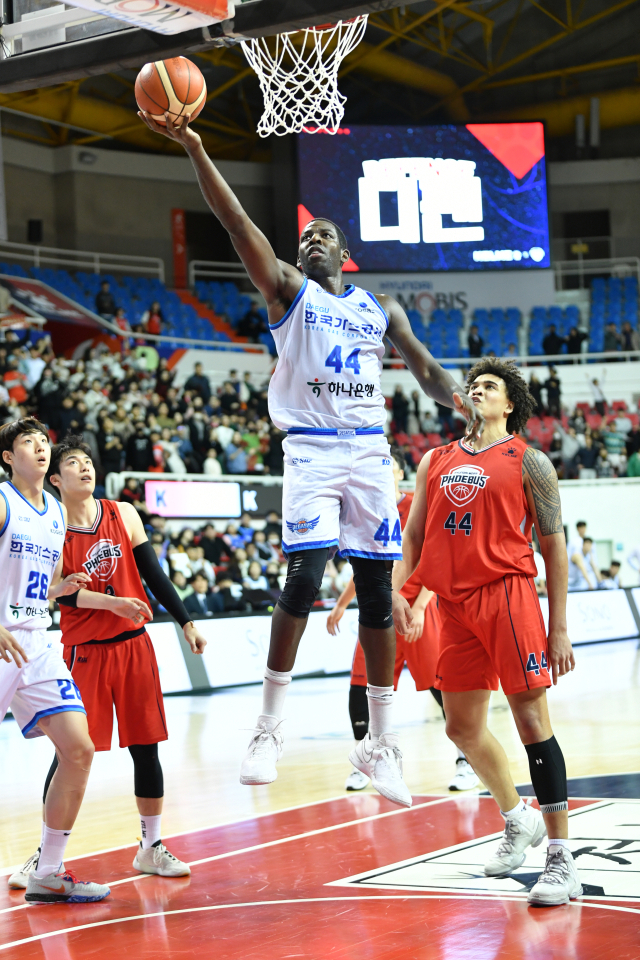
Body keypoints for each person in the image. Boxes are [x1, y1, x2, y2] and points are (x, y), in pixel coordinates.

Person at [138, 105, 482, 807]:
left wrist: (463, 403)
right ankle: (268, 725)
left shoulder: (377, 309)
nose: (312, 242)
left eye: (324, 235)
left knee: (380, 593)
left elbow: (424, 370)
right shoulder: (287, 293)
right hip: (314, 452)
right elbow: (238, 224)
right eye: (305, 238)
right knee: (302, 581)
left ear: (345, 253)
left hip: (368, 451)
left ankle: (380, 742)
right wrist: (198, 147)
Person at [392, 358, 582, 907]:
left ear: (509, 406)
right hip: (453, 606)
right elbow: (413, 539)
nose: (478, 389)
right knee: (461, 727)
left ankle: (561, 858)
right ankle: (518, 818)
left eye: (490, 386)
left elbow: (554, 548)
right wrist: (404, 599)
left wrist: (559, 628)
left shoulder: (531, 463)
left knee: (529, 721)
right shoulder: (436, 458)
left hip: (508, 595)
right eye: (474, 384)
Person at [10, 436, 208, 891]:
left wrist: (186, 622)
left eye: (88, 462)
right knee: (71, 753)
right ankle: (45, 855)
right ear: (55, 480)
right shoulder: (52, 525)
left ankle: (151, 847)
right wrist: (112, 604)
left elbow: (153, 573)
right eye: (73, 464)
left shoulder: (123, 513)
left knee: (146, 746)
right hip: (85, 652)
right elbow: (61, 589)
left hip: (134, 646)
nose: (85, 469)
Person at [0, 418, 110, 903]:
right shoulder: (2, 501)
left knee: (79, 749)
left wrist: (59, 590)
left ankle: (47, 871)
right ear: (8, 457)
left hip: (37, 641)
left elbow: (32, 587)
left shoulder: (55, 513)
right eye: (28, 442)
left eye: (44, 442)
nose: (41, 448)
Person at [327, 448, 478, 793]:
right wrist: (341, 604)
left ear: (397, 474)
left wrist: (424, 604)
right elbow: (364, 568)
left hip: (416, 608)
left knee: (443, 688)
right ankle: (369, 760)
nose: (383, 471)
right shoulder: (367, 511)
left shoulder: (417, 507)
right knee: (360, 687)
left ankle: (465, 761)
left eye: (389, 466)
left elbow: (436, 558)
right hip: (376, 611)